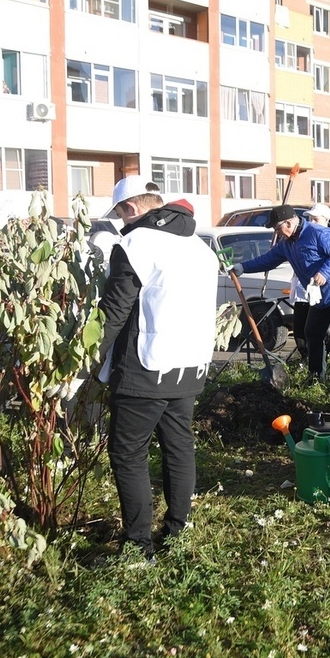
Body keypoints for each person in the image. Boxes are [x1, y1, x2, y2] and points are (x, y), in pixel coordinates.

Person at [98, 175, 219, 558]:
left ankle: (138, 547)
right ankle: (177, 530)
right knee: (179, 446)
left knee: (128, 455)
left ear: (131, 208)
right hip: (190, 366)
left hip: (145, 368)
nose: (120, 222)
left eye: (120, 215)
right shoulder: (199, 247)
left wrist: (85, 360)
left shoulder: (135, 244)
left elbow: (113, 313)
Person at [237, 204, 330, 395]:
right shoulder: (287, 244)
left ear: (288, 223)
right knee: (312, 332)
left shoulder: (317, 233)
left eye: (277, 228)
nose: (277, 233)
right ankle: (316, 377)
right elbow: (268, 259)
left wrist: (325, 271)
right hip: (318, 296)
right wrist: (243, 267)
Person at [289, 203, 330, 358]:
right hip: (302, 291)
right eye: (310, 219)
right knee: (299, 330)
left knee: (316, 331)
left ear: (326, 220)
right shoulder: (303, 236)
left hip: (320, 293)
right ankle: (305, 358)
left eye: (316, 219)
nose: (312, 223)